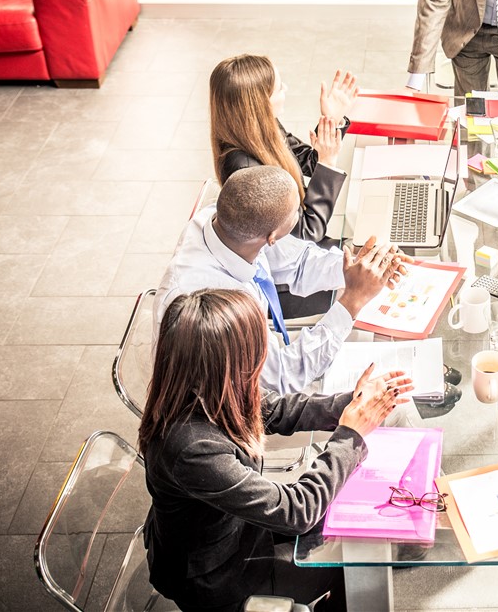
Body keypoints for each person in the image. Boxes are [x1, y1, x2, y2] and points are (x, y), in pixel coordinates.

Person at [140, 287, 414, 612]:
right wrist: (350, 434)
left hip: (234, 530)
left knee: (351, 519)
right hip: (217, 577)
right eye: (257, 348)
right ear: (227, 364)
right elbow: (297, 512)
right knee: (361, 559)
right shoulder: (192, 448)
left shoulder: (201, 386)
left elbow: (278, 409)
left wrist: (353, 403)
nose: (263, 358)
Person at [154, 165, 404, 395]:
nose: (301, 211)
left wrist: (357, 268)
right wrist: (352, 301)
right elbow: (284, 377)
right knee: (391, 406)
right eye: (296, 211)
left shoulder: (229, 224)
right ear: (272, 236)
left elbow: (298, 263)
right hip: (231, 406)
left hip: (257, 361)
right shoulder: (217, 304)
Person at [210, 54, 358, 243]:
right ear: (260, 104)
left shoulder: (262, 127)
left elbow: (310, 163)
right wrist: (328, 163)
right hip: (292, 257)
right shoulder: (247, 171)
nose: (286, 89)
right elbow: (308, 233)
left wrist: (332, 120)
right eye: (279, 88)